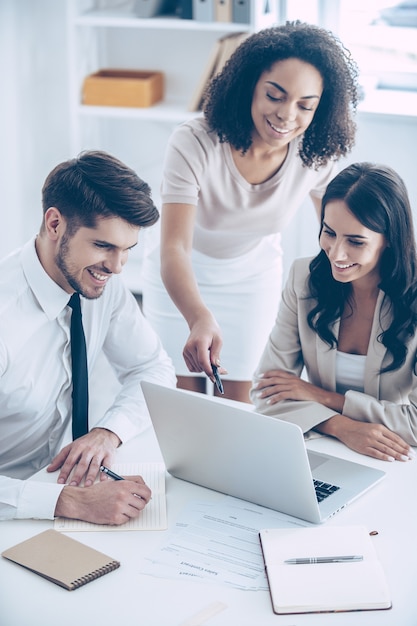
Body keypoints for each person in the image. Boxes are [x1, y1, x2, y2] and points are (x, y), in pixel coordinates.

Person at [141, 21, 359, 403]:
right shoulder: (195, 142)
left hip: (250, 280)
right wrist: (198, 316)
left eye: (305, 105)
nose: (288, 115)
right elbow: (173, 247)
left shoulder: (315, 155)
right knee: (182, 404)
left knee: (239, 405)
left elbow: (341, 232)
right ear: (249, 88)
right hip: (179, 276)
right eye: (275, 95)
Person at [0, 150, 177, 523]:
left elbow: (153, 367)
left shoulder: (98, 282)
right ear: (54, 224)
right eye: (103, 246)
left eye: (127, 250)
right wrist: (69, 503)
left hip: (55, 481)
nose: (116, 267)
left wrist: (108, 431)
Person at [251, 162, 417, 463]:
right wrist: (342, 427)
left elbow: (415, 424)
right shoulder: (304, 278)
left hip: (390, 455)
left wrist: (322, 397)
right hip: (315, 444)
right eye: (329, 233)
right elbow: (265, 393)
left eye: (355, 241)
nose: (337, 254)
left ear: (389, 239)